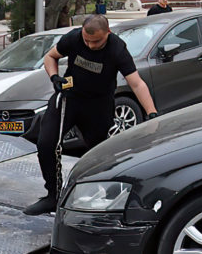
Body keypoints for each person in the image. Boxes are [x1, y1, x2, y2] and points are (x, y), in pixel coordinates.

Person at [24, 14, 158, 215]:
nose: (91, 45)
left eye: (96, 41)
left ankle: (101, 196)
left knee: (97, 153)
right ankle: (52, 196)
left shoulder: (117, 49)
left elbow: (136, 83)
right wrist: (54, 78)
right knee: (46, 144)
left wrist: (152, 113)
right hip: (69, 99)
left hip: (98, 105)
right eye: (87, 40)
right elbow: (50, 57)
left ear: (108, 33)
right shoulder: (74, 38)